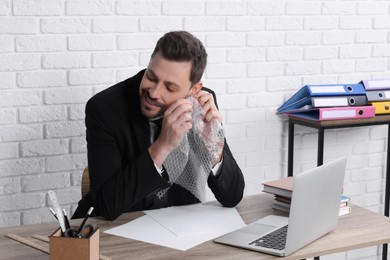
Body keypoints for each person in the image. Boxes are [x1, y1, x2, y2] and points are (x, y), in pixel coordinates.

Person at [72, 31, 245, 220]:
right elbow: (107, 206)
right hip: (118, 229)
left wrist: (212, 146)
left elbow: (232, 197)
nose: (154, 92)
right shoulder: (105, 108)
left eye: (170, 87)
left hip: (180, 228)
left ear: (193, 90)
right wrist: (162, 146)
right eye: (151, 77)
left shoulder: (202, 105)